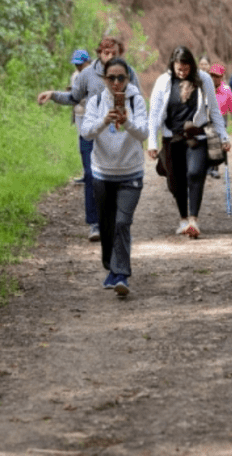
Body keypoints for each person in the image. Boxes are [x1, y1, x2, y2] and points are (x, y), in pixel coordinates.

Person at [38, 37, 139, 242]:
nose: (110, 57)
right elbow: (73, 97)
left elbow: (136, 101)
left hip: (116, 134)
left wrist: (133, 127)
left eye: (114, 53)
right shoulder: (87, 74)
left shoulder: (128, 72)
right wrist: (52, 94)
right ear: (99, 53)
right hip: (91, 131)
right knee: (91, 176)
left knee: (113, 179)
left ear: (120, 54)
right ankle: (95, 224)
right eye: (106, 53)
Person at [79, 57, 148, 296]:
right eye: (112, 78)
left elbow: (144, 133)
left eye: (121, 77)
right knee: (107, 226)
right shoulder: (96, 101)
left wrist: (126, 121)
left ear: (128, 78)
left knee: (122, 222)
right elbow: (86, 133)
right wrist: (104, 120)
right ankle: (111, 267)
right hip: (102, 173)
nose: (117, 82)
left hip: (131, 172)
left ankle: (121, 275)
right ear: (104, 79)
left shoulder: (136, 99)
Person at [147, 46, 231, 238]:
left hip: (197, 137)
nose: (182, 72)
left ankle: (193, 220)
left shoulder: (203, 79)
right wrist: (152, 142)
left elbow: (215, 111)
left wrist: (223, 136)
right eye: (179, 68)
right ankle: (183, 218)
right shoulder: (163, 82)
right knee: (176, 181)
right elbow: (153, 116)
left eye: (185, 68)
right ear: (172, 65)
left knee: (195, 173)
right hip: (172, 138)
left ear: (191, 66)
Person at [207, 63, 232, 179]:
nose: (213, 78)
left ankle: (214, 168)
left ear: (221, 77)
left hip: (221, 121)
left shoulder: (226, 90)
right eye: (211, 75)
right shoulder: (204, 89)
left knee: (217, 142)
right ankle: (208, 166)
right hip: (206, 121)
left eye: (216, 76)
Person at [68, 49, 92, 184]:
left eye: (80, 64)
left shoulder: (94, 75)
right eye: (76, 64)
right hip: (79, 114)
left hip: (91, 114)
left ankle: (93, 174)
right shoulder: (75, 76)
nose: (78, 66)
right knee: (83, 146)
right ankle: (86, 174)